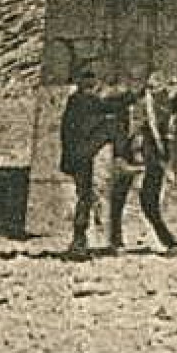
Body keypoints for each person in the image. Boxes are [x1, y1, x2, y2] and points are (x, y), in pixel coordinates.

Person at [58, 66, 136, 258]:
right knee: (113, 126)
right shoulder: (82, 100)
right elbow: (109, 106)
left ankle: (79, 241)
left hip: (76, 157)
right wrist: (133, 95)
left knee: (84, 198)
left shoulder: (76, 101)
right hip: (81, 155)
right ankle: (121, 158)